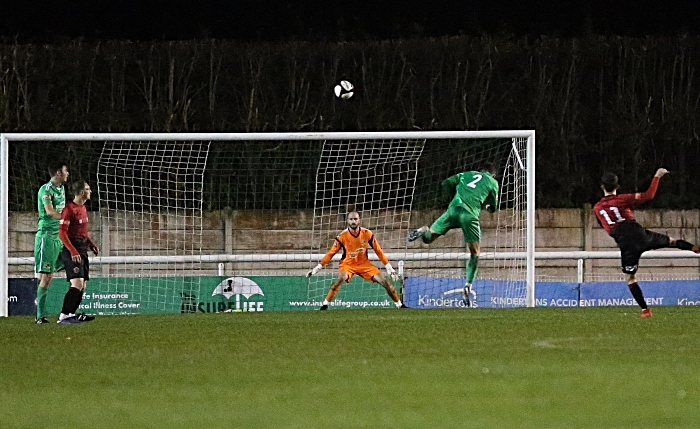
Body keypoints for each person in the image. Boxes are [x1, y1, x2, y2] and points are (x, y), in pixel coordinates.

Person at [593, 168, 700, 318]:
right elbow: (649, 195)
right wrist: (657, 176)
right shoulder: (623, 199)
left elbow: (607, 228)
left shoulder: (597, 208)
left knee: (630, 278)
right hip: (640, 234)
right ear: (617, 187)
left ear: (602, 187)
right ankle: (694, 248)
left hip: (626, 244)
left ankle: (645, 310)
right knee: (672, 242)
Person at [407, 162, 499, 307]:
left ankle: (424, 229)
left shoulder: (466, 174)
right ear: (492, 174)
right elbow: (493, 208)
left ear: (480, 170)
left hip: (453, 210)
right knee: (475, 253)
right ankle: (468, 285)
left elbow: (446, 183)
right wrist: (486, 205)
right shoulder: (493, 182)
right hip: (469, 215)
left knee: (428, 239)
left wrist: (455, 194)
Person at [307, 211, 406, 310]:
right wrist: (318, 267)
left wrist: (388, 266)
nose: (353, 221)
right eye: (351, 219)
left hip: (364, 264)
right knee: (341, 278)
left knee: (385, 282)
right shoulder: (342, 236)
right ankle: (325, 305)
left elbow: (378, 251)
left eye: (355, 219)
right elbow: (330, 253)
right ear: (347, 221)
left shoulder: (367, 233)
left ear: (359, 220)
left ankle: (399, 305)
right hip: (348, 264)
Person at [56, 180, 99, 324]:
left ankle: (70, 315)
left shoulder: (83, 208)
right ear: (81, 192)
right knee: (77, 283)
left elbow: (82, 232)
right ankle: (64, 315)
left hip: (81, 248)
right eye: (88, 189)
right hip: (71, 249)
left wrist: (90, 243)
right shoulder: (69, 209)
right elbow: (62, 234)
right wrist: (73, 251)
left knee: (83, 285)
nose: (90, 191)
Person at [34, 161, 69, 324]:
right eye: (65, 171)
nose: (68, 173)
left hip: (60, 236)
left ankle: (69, 311)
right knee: (47, 277)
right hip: (47, 237)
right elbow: (49, 211)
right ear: (58, 173)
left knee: (75, 268)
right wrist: (67, 219)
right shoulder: (45, 190)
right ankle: (40, 316)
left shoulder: (62, 189)